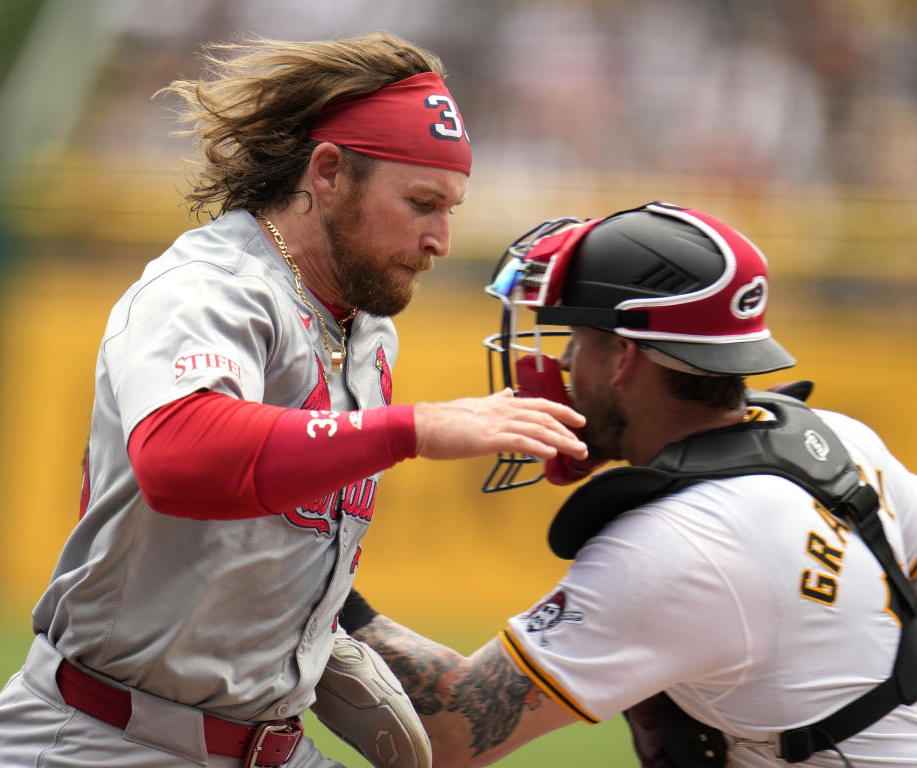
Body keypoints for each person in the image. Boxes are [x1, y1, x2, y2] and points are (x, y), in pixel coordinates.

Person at [0, 32, 589, 768]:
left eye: (450, 208)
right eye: (422, 203)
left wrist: (325, 636)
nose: (441, 239)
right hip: (103, 739)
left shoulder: (369, 328)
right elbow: (179, 456)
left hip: (274, 748)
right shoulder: (210, 287)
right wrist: (412, 428)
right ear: (327, 173)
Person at [337, 202, 917, 767]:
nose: (564, 361)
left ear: (623, 355)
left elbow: (453, 732)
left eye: (577, 337)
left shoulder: (677, 546)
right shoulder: (840, 438)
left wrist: (314, 590)